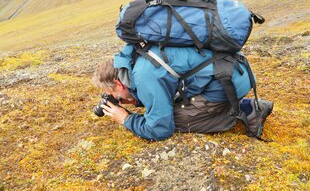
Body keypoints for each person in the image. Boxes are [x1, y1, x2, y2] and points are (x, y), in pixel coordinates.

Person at [92, 44, 274, 141]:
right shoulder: (135, 60)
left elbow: (160, 129)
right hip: (232, 66)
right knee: (166, 109)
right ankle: (231, 105)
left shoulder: (143, 77)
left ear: (118, 83)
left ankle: (249, 111)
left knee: (174, 120)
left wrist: (126, 119)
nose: (116, 99)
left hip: (229, 80)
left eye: (113, 94)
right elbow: (164, 83)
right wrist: (136, 100)